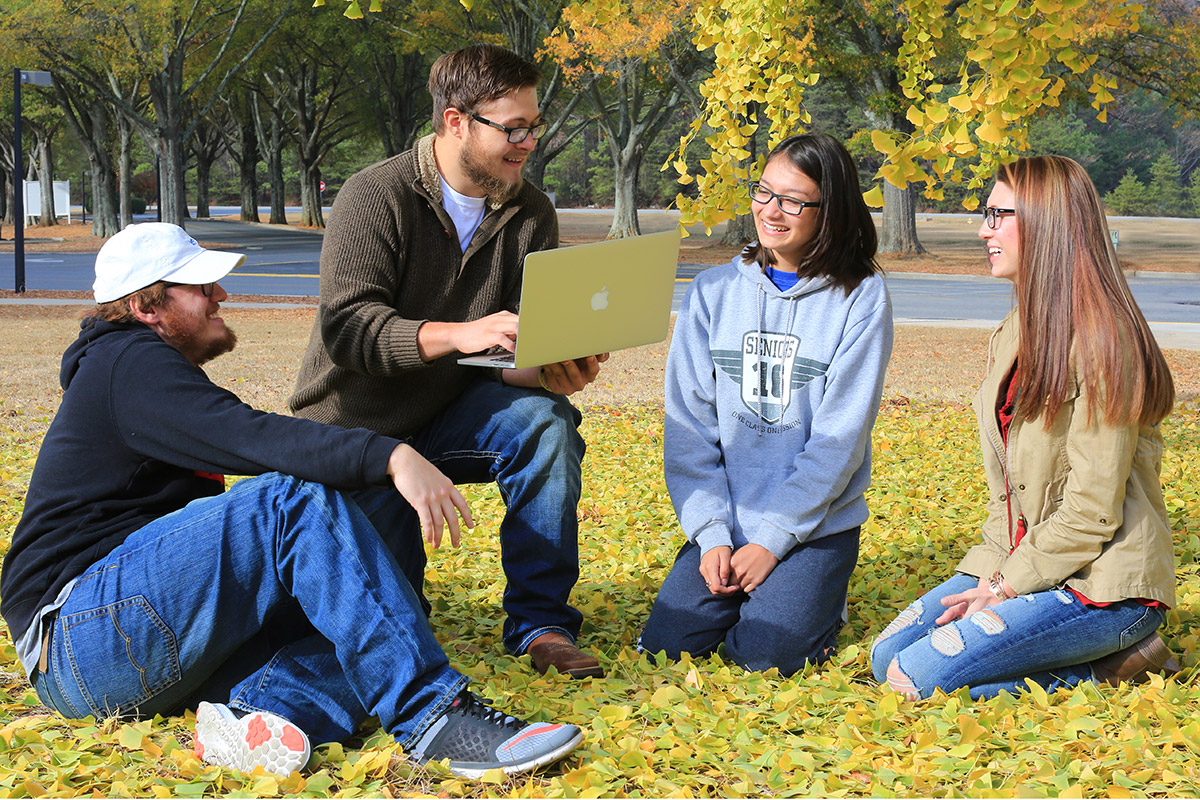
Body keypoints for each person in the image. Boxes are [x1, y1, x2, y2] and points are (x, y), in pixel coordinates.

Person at [0, 223, 584, 780]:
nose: (219, 294)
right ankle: (434, 718)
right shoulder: (123, 361)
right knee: (291, 499)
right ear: (146, 307)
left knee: (378, 594)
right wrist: (393, 456)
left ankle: (269, 715)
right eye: (201, 287)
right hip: (78, 637)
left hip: (145, 638)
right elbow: (252, 438)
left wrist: (380, 476)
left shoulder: (145, 367)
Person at [290, 44, 605, 679]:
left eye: (533, 127)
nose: (527, 143)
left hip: (447, 414)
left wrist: (550, 368)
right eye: (512, 129)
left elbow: (501, 352)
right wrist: (461, 333)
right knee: (389, 631)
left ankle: (540, 623)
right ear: (456, 121)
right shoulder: (373, 195)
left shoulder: (531, 212)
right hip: (353, 431)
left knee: (546, 419)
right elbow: (350, 332)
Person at [870, 155, 1181, 700]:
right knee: (885, 656)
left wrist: (1003, 587)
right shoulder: (1016, 330)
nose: (984, 229)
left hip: (1103, 589)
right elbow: (1007, 499)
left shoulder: (1105, 342)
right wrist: (991, 578)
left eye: (998, 214)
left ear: (1048, 222)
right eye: (985, 214)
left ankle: (1118, 664)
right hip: (1030, 565)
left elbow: (1093, 512)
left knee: (913, 680)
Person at [638, 134, 894, 676]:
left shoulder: (861, 297)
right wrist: (711, 536)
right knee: (667, 646)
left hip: (814, 524)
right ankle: (765, 590)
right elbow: (689, 430)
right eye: (764, 192)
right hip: (726, 521)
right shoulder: (711, 290)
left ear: (832, 211)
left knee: (763, 656)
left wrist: (773, 542)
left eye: (794, 200)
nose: (771, 212)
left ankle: (818, 596)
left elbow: (838, 442)